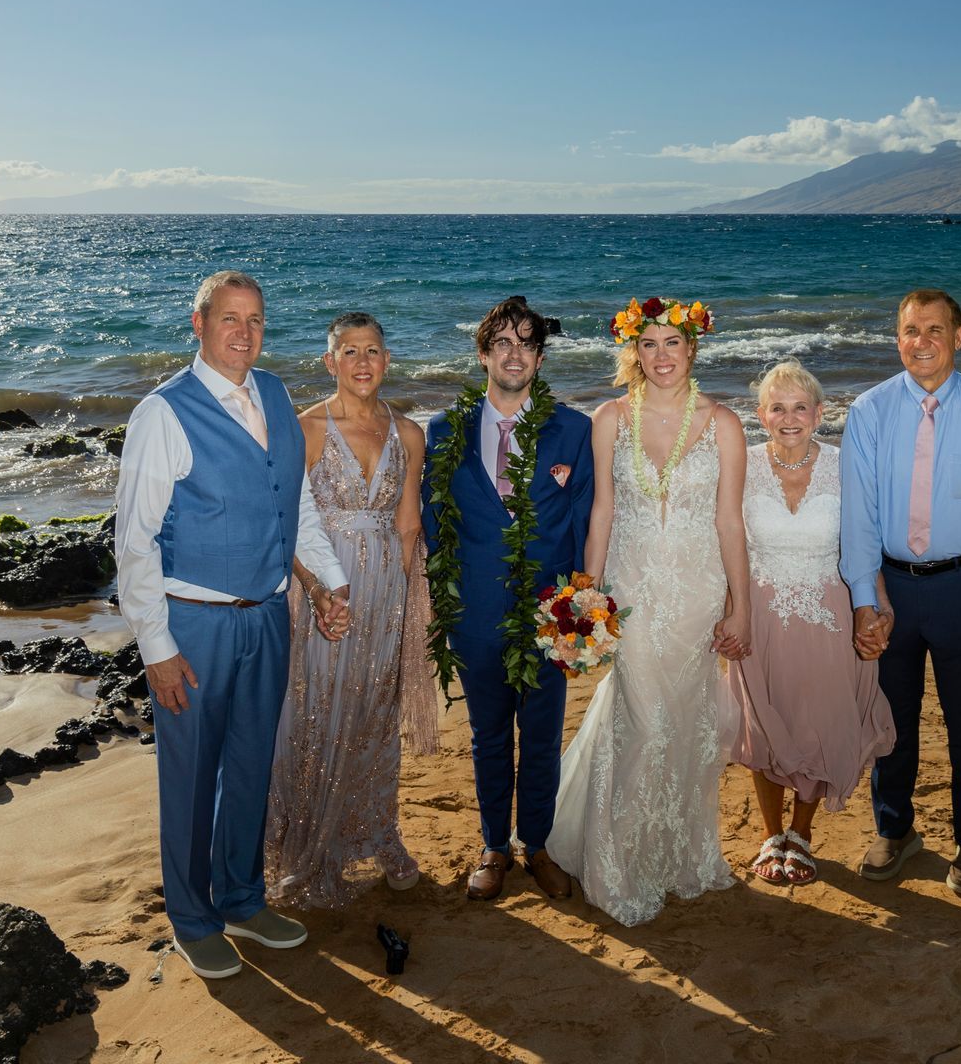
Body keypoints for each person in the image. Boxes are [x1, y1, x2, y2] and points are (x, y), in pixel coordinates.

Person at [115, 270, 353, 981]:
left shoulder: (276, 394)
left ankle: (244, 899)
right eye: (229, 318)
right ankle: (193, 919)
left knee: (252, 767)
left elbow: (297, 505)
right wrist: (155, 648)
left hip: (268, 618)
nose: (243, 332)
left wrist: (330, 578)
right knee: (190, 778)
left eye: (254, 319)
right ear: (199, 323)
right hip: (194, 625)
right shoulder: (163, 413)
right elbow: (133, 543)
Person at [544, 296, 751, 927]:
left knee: (687, 724)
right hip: (631, 591)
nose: (661, 356)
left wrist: (740, 605)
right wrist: (587, 596)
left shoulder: (724, 424)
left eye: (673, 344)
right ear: (634, 350)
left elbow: (729, 520)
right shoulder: (610, 418)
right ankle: (619, 863)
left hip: (695, 593)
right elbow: (602, 511)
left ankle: (680, 854)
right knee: (644, 719)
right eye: (650, 344)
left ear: (693, 350)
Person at [839, 288, 961, 900]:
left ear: (958, 336)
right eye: (908, 330)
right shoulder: (869, 412)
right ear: (896, 338)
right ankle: (895, 832)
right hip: (892, 586)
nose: (919, 341)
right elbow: (859, 517)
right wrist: (863, 598)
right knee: (891, 723)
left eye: (933, 329)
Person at [421, 296, 595, 902]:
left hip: (549, 614)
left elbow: (583, 520)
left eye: (525, 342)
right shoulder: (445, 431)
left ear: (540, 358)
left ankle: (537, 845)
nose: (513, 353)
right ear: (483, 354)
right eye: (502, 342)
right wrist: (439, 606)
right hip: (474, 614)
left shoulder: (574, 430)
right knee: (488, 733)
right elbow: (433, 521)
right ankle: (495, 845)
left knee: (543, 735)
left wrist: (578, 610)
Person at [265, 311, 437, 910]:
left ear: (387, 361)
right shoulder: (306, 429)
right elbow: (284, 523)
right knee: (313, 714)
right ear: (329, 361)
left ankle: (378, 835)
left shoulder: (410, 434)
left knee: (372, 714)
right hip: (323, 590)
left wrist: (418, 606)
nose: (362, 362)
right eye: (349, 351)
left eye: (373, 351)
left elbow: (409, 525)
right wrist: (314, 589)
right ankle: (307, 849)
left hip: (387, 591)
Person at [728, 359, 896, 887]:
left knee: (817, 721)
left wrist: (880, 608)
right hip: (760, 614)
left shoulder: (846, 465)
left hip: (829, 614)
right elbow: (721, 537)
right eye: (778, 407)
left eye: (801, 407)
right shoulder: (742, 464)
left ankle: (801, 833)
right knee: (762, 724)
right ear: (761, 415)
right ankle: (771, 833)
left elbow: (866, 547)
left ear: (820, 413)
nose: (790, 417)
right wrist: (729, 608)